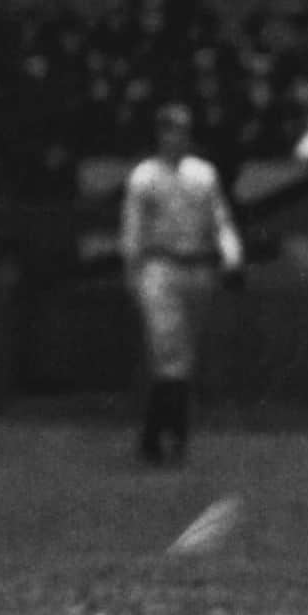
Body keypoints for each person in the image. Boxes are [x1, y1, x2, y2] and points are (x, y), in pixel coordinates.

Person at [120, 103, 244, 466]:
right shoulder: (145, 176)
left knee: (183, 353)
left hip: (198, 268)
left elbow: (220, 218)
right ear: (159, 134)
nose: (175, 136)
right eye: (168, 130)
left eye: (181, 130)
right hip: (160, 265)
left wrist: (232, 256)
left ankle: (159, 434)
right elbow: (133, 228)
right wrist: (132, 270)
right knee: (167, 349)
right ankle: (172, 434)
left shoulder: (203, 174)